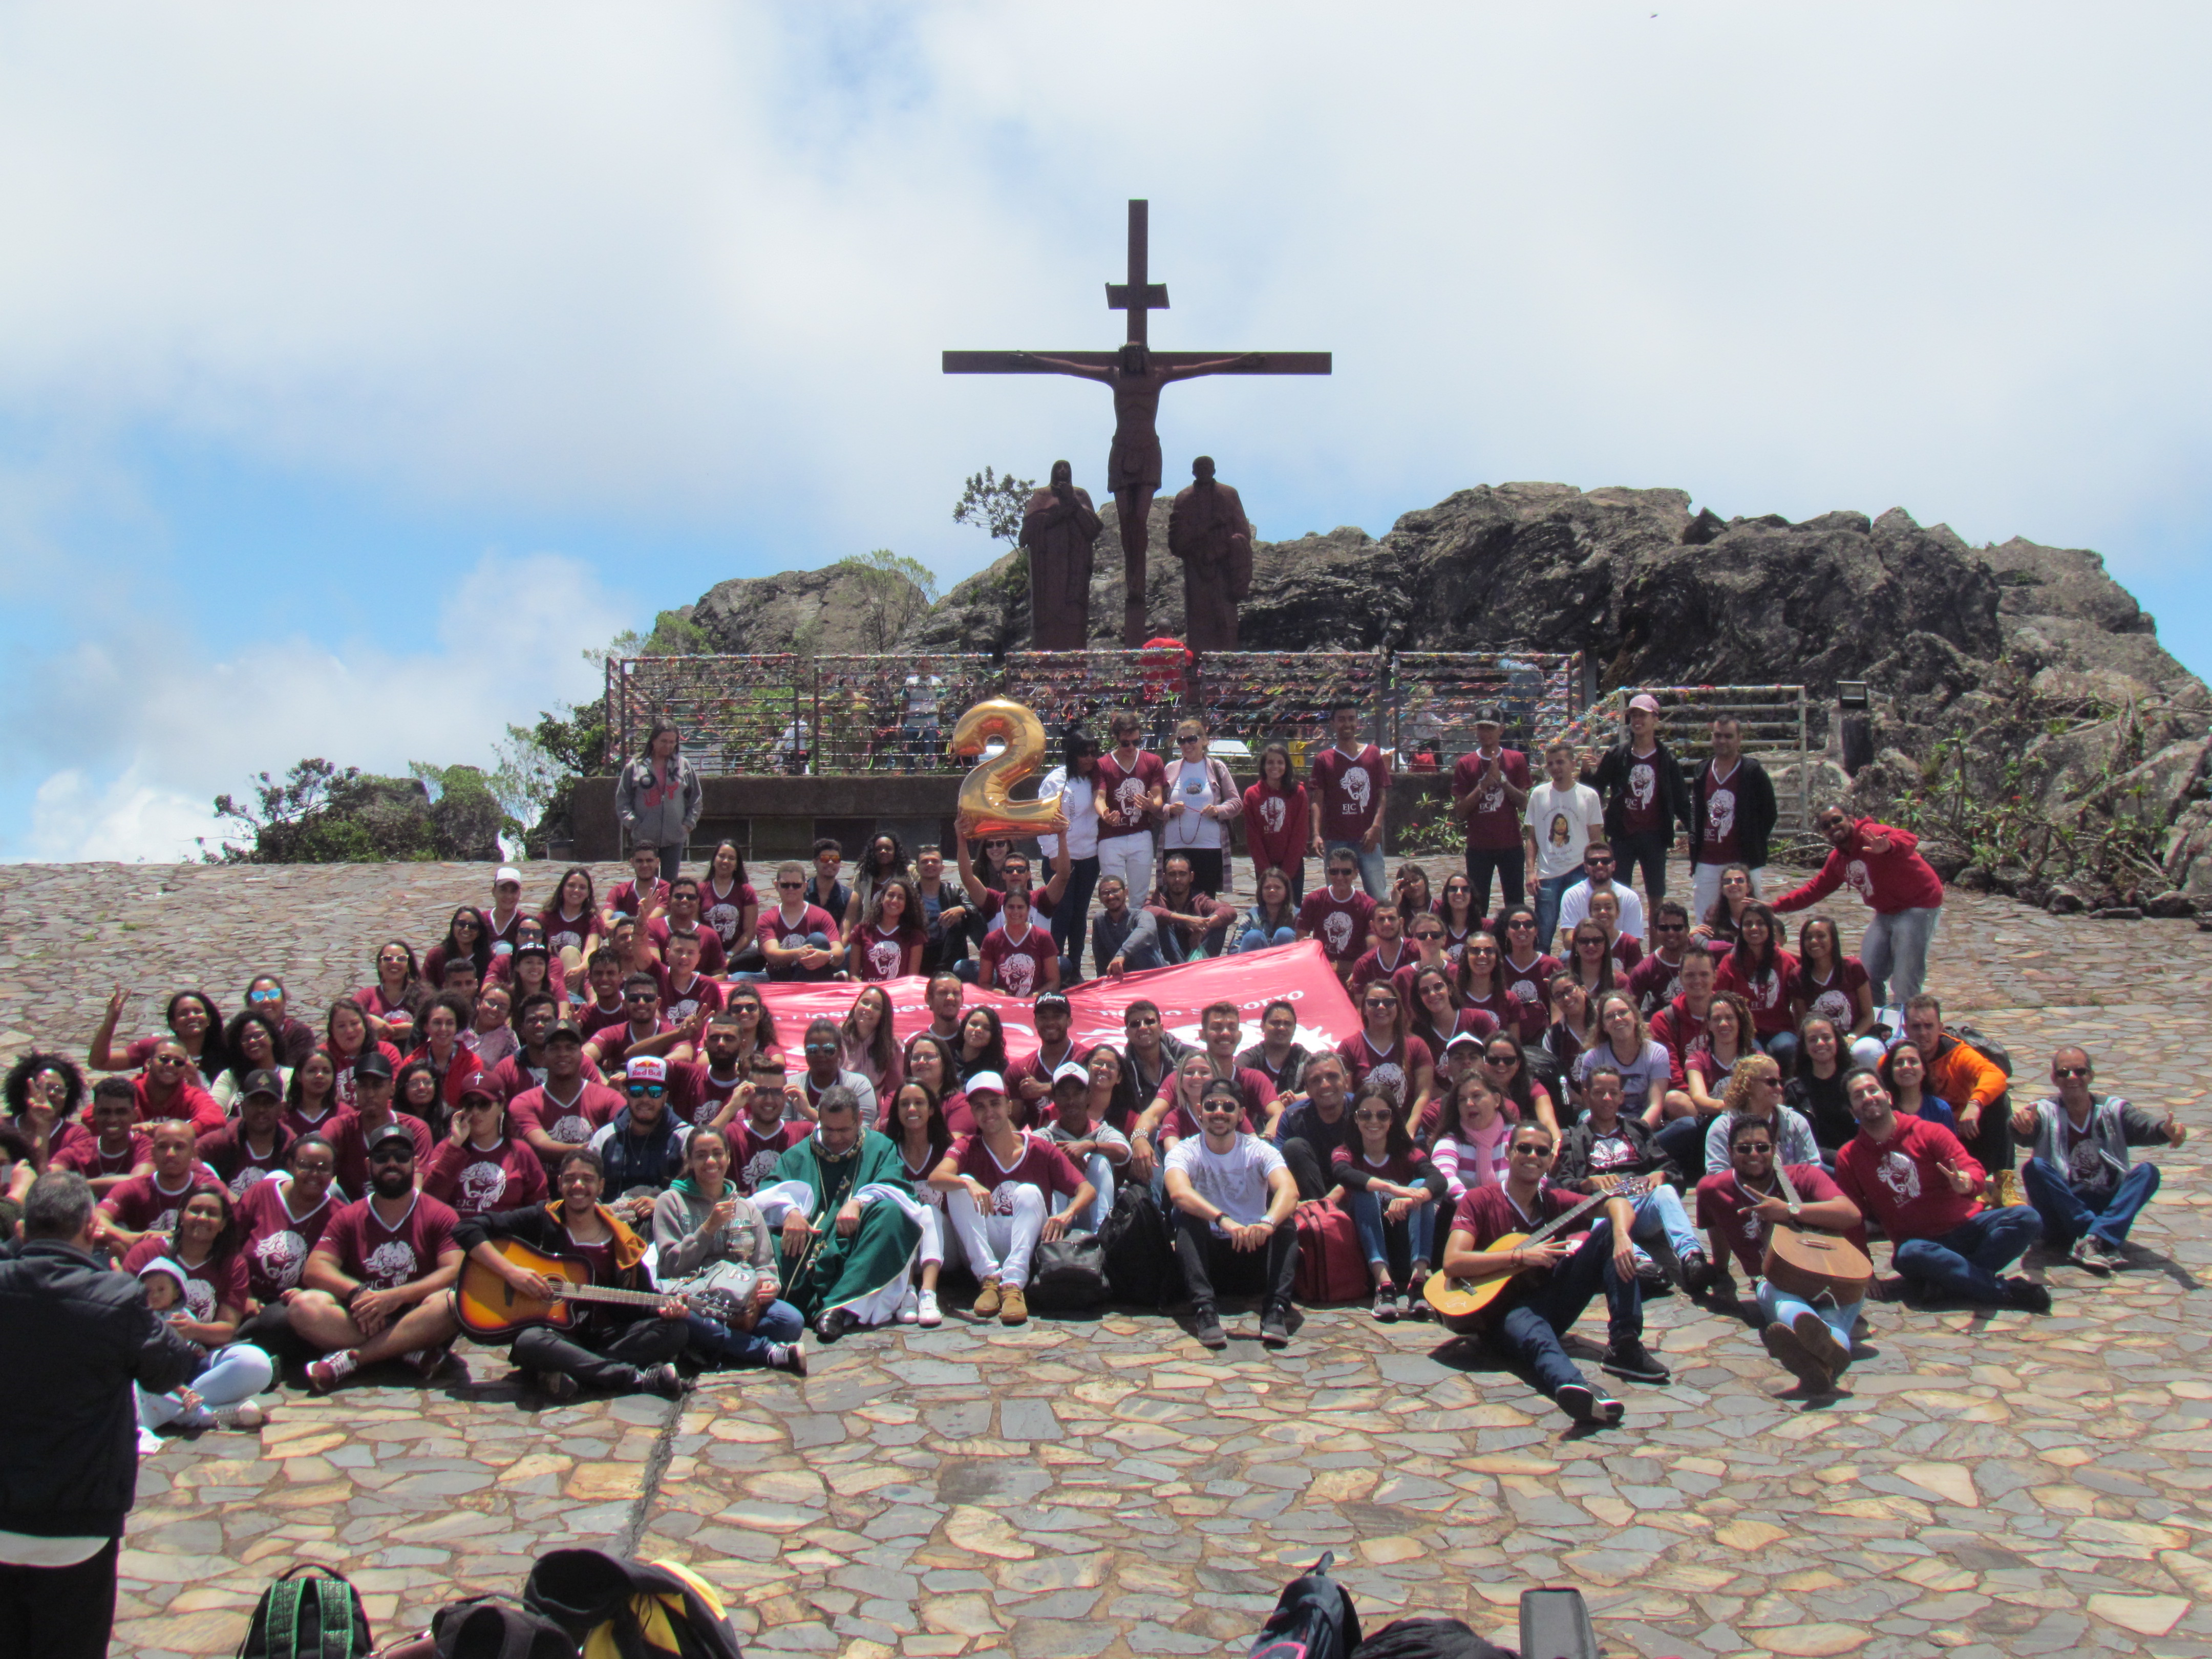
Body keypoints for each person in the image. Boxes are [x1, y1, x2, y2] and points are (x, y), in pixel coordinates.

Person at [0, 1172, 203, 1659]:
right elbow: (169, 1368)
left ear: (25, 1230)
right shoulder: (117, 1297)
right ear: (92, 1229)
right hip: (79, 1523)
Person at [1436, 1122, 1657, 1424]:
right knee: (1537, 1338)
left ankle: (1625, 1343)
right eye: (1524, 1148)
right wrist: (1519, 1257)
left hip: (1550, 1298)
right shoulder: (1481, 1200)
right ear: (1508, 1152)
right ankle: (1578, 1389)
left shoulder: (1554, 1201)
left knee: (1607, 1236)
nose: (1532, 1156)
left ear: (1550, 1159)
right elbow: (1453, 1262)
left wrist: (1621, 1234)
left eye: (1542, 1151)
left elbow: (1617, 1202)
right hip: (1498, 1313)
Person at [456, 1148, 690, 1400]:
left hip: (608, 1338)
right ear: (560, 1184)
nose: (578, 1186)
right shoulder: (542, 1219)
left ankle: (573, 1370)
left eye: (587, 1180)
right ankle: (635, 1378)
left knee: (676, 1331)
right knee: (529, 1342)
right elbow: (466, 1229)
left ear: (601, 1187)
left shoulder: (622, 1241)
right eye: (570, 1179)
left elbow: (642, 1301)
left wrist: (665, 1310)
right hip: (554, 1336)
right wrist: (513, 1273)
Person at [1832, 1069, 2044, 1311]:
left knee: (2027, 1218)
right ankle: (2004, 1292)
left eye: (1873, 1090)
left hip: (1968, 1230)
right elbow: (1852, 1218)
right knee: (1910, 1254)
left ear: (1889, 1097)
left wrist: (1967, 1181)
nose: (1868, 1097)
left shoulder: (1928, 1132)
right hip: (1920, 1247)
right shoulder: (1849, 1158)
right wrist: (1865, 1270)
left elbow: (1969, 1166)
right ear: (1852, 1111)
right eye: (1859, 1096)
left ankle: (1948, 1282)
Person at [1696, 1113, 1865, 1391]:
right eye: (1744, 1148)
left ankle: (1811, 1346)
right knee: (1779, 1294)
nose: (1754, 1154)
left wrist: (1789, 1210)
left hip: (1833, 1273)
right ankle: (1823, 1353)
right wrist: (1720, 1270)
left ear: (1775, 1150)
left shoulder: (1804, 1176)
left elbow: (1851, 1214)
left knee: (1833, 1308)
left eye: (1762, 1147)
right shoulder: (1713, 1189)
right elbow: (1718, 1228)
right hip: (1776, 1278)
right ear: (1730, 1152)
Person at [291, 1124, 465, 1392]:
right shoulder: (350, 1216)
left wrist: (397, 1297)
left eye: (401, 1156)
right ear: (369, 1164)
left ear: (416, 1162)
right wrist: (358, 1293)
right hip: (364, 1317)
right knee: (303, 1306)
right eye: (382, 1157)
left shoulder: (439, 1214)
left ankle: (353, 1359)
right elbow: (315, 1269)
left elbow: (453, 1270)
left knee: (451, 1303)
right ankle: (405, 1351)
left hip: (419, 1315)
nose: (392, 1163)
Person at [751, 1086, 925, 1339]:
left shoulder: (879, 1147)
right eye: (828, 1129)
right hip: (809, 1241)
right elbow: (765, 1195)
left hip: (856, 1238)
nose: (835, 1138)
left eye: (844, 1130)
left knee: (892, 1215)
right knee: (773, 1239)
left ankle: (838, 1307)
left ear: (859, 1122)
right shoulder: (799, 1154)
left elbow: (897, 1187)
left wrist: (858, 1202)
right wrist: (790, 1213)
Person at [931, 1074, 1095, 1327]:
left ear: (1009, 1106)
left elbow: (1086, 1190)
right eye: (980, 1107)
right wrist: (969, 1183)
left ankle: (1013, 1286)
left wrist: (1067, 1213)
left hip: (1024, 1244)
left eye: (995, 1103)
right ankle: (988, 1279)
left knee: (1028, 1192)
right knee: (959, 1182)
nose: (989, 1112)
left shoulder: (1040, 1148)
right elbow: (936, 1178)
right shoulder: (967, 1145)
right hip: (981, 1247)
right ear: (973, 1114)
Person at [2012, 1047, 2186, 1273]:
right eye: (2064, 1073)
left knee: (2148, 1172)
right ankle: (2099, 1236)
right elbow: (2023, 1130)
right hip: (2063, 1215)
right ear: (2054, 1078)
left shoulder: (2112, 1110)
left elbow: (2143, 1125)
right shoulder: (2045, 1112)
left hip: (2105, 1205)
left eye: (2080, 1071)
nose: (2073, 1078)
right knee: (2035, 1168)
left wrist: (2165, 1130)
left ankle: (2094, 1238)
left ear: (2091, 1076)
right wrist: (2021, 1126)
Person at [123, 1185, 276, 1438]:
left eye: (212, 1213)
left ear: (223, 1224)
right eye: (195, 1210)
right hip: (147, 1362)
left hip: (198, 1358)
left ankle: (175, 1405)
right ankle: (197, 1411)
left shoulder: (232, 1261)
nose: (202, 1218)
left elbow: (227, 1330)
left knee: (258, 1365)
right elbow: (121, 1311)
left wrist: (191, 1330)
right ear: (181, 1215)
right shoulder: (149, 1252)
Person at [650, 1127, 806, 1373]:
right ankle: (764, 1352)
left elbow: (764, 1264)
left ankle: (716, 1345)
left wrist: (768, 1285)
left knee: (791, 1323)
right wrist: (708, 1229)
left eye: (717, 1153)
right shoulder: (670, 1202)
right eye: (701, 1155)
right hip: (695, 1300)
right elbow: (670, 1267)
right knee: (686, 1321)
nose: (710, 1162)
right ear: (689, 1160)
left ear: (728, 1158)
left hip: (740, 1302)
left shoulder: (746, 1207)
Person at [1163, 1079, 1300, 1350]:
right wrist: (1223, 1220)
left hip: (1253, 1249)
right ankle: (1205, 1311)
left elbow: (1289, 1190)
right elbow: (1178, 1193)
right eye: (1212, 1105)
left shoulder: (1259, 1150)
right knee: (1189, 1221)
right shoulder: (1184, 1151)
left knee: (1286, 1225)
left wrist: (1268, 1223)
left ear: (1241, 1114)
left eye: (1228, 1106)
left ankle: (1275, 1311)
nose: (1219, 1112)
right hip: (1210, 1259)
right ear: (1201, 1111)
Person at [1770, 804, 1946, 1010]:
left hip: (1919, 905)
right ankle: (1878, 1027)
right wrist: (1774, 907)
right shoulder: (1838, 860)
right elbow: (1815, 889)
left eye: (1837, 820)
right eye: (1827, 825)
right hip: (1886, 912)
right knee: (1867, 973)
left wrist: (1889, 846)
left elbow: (1910, 839)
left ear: (1851, 819)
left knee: (1905, 977)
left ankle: (1906, 1028)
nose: (1833, 827)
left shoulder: (1872, 834)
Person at [1334, 1081, 1445, 1320]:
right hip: (1369, 1246)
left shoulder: (1407, 1151)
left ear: (1393, 1119)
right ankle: (1383, 1286)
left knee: (1420, 1187)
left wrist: (1411, 1197)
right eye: (1365, 1115)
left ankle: (1418, 1283)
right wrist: (1392, 1188)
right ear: (1355, 1119)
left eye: (1382, 1115)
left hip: (1404, 1242)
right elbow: (1343, 1173)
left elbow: (1438, 1180)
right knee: (1365, 1192)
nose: (1374, 1122)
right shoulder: (1346, 1151)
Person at [1580, 693, 1690, 903]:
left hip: (1655, 836)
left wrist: (1696, 836)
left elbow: (1681, 802)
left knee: (1656, 895)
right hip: (1623, 835)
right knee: (1618, 894)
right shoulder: (1618, 755)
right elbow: (1595, 792)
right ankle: (1621, 935)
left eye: (1643, 716)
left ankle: (1656, 936)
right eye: (1634, 716)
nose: (1638, 721)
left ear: (1655, 719)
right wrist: (1586, 773)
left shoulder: (1666, 759)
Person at [1903, 994, 2013, 1174]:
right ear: (1905, 1029)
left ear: (1940, 1028)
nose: (1923, 1033)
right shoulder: (1897, 1061)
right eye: (1916, 1027)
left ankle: (2002, 1178)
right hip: (1918, 1140)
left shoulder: (1958, 1054)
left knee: (1999, 1100)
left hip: (1963, 1135)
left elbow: (1995, 1074)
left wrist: (1975, 1103)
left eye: (1929, 1026)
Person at [1687, 716, 1779, 925]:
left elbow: (1769, 813)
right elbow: (1697, 814)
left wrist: (1753, 839)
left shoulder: (1752, 772)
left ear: (1739, 739)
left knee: (1750, 918)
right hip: (1708, 860)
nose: (1723, 741)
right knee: (1706, 921)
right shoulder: (1703, 770)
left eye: (1729, 736)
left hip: (1744, 861)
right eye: (1718, 736)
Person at [509, 1022, 626, 1175]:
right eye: (555, 1048)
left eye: (570, 1048)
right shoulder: (524, 1102)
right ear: (544, 1055)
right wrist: (589, 1149)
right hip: (546, 1190)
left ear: (582, 1054)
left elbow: (622, 1140)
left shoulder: (611, 1099)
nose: (563, 1053)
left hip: (596, 1190)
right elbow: (541, 1145)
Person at [1036, 733, 1104, 981]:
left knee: (1079, 913)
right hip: (1062, 857)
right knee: (1061, 913)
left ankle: (1074, 967)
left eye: (1094, 753)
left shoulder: (1097, 779)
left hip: (1090, 857)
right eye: (1084, 753)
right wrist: (1053, 853)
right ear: (1073, 755)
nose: (1090, 759)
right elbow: (1043, 820)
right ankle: (1054, 968)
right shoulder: (1056, 780)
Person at [1453, 708, 1532, 919]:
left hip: (1511, 845)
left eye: (1491, 728)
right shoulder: (1465, 764)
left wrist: (1502, 781)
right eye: (1481, 728)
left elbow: (1524, 803)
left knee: (1515, 905)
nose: (1486, 733)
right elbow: (1460, 811)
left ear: (1501, 730)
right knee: (1478, 906)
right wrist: (1484, 785)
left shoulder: (1516, 760)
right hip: (1479, 847)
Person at [424, 1084, 550, 1217]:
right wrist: (455, 1145)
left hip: (507, 1235)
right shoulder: (448, 1148)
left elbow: (540, 1206)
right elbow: (429, 1201)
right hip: (458, 1234)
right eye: (469, 1105)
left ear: (501, 1107)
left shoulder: (521, 1151)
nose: (476, 1112)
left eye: (484, 1104)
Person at [887, 1081, 953, 1326]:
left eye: (919, 1103)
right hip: (905, 1255)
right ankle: (908, 1291)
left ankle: (928, 1293)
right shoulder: (888, 1153)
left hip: (948, 1251)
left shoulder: (947, 1151)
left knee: (929, 1211)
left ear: (932, 1109)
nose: (912, 1109)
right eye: (904, 1104)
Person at [1310, 701, 1389, 898]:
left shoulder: (1372, 754)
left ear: (1358, 722)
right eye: (1342, 720)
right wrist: (1316, 834)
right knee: (1337, 894)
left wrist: (1376, 828)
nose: (1347, 724)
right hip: (1336, 839)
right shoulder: (1324, 759)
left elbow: (1382, 796)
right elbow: (1317, 801)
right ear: (1333, 723)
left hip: (1367, 839)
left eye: (1351, 719)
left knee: (1378, 896)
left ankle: (1379, 930)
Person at [1039, 1063, 1128, 1231]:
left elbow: (1124, 1152)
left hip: (1093, 1216)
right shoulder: (1045, 1136)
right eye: (1064, 1095)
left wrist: (1090, 1146)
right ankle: (1055, 1242)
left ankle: (1102, 1238)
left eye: (1078, 1093)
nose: (1071, 1101)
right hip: (1057, 1218)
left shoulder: (1104, 1131)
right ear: (1054, 1098)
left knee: (1100, 1161)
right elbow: (1024, 1156)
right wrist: (1060, 1159)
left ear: (1088, 1095)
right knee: (1054, 1165)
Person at [1160, 718, 1242, 897]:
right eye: (1181, 741)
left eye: (1192, 739)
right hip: (1175, 845)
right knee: (1174, 900)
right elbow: (1158, 806)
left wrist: (1218, 811)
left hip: (1209, 847)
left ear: (1204, 741)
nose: (1187, 745)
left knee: (1205, 900)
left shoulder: (1217, 767)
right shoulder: (1170, 769)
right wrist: (1169, 810)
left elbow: (1236, 803)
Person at [1700, 1053, 1820, 1175]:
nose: (1779, 1088)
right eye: (1771, 1082)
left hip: (1790, 1192)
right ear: (1749, 1084)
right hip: (1739, 1193)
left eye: (1780, 1082)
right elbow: (1717, 1176)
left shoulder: (1795, 1122)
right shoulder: (1723, 1128)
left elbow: (1812, 1171)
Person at [1789, 915, 1883, 1071]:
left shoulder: (1853, 968)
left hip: (1855, 1037)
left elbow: (1869, 1016)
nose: (1814, 942)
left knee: (1866, 1052)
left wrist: (1852, 1038)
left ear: (1833, 940)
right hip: (1819, 1041)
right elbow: (1801, 1020)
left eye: (1821, 936)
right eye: (1808, 938)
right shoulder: (1798, 976)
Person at [88, 986, 228, 1090]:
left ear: (209, 1019)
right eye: (183, 1013)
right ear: (173, 1024)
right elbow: (99, 1062)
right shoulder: (156, 1048)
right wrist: (110, 1023)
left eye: (197, 1011)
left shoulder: (227, 1051)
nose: (191, 1016)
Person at [615, 718, 704, 882]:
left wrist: (688, 824)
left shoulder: (683, 765)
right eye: (664, 741)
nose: (668, 746)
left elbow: (696, 798)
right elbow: (623, 800)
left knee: (670, 885)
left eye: (672, 742)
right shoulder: (635, 766)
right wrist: (634, 823)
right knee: (648, 885)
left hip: (675, 836)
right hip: (644, 838)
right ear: (653, 740)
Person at [1094, 711, 1166, 906]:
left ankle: (1137, 932)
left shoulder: (1153, 761)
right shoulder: (1103, 764)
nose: (1132, 747)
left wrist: (1153, 805)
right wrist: (1105, 814)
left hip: (1140, 833)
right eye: (1126, 743)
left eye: (1137, 742)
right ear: (1116, 738)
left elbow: (1157, 794)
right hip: (1110, 837)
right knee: (1113, 893)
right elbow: (1099, 797)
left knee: (1140, 894)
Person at [1335, 984, 1435, 1123]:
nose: (1381, 1007)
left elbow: (1423, 1095)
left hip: (1406, 1124)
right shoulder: (1349, 1047)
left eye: (1389, 1002)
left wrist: (1410, 1130)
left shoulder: (1417, 1045)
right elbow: (1348, 1097)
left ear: (1398, 1007)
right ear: (1363, 1009)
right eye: (1373, 1003)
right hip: (1365, 1125)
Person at [1714, 903, 1798, 1069]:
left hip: (1780, 1030)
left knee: (1788, 1048)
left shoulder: (1786, 961)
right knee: (1753, 1056)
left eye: (1760, 923)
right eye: (1748, 924)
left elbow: (1799, 1000)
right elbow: (1718, 999)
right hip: (1745, 1031)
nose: (1754, 928)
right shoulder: (1730, 963)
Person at [195, 1069, 295, 1199]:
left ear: (282, 1109)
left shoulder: (292, 1147)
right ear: (242, 1106)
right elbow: (190, 1157)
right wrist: (222, 1191)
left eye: (268, 1103)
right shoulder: (224, 1139)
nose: (261, 1109)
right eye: (254, 1102)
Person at [1270, 1051, 1353, 1201]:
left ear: (1346, 1081)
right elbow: (1274, 1165)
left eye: (1332, 1076)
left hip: (1355, 1190)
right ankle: (1319, 1219)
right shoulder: (1292, 1117)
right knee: (1294, 1146)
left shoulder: (1364, 1111)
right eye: (1316, 1080)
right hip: (1310, 1195)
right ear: (1307, 1089)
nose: (1325, 1085)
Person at [1140, 852, 1237, 964]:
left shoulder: (1199, 899)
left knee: (1220, 924)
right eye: (1172, 875)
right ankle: (1182, 969)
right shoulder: (1158, 899)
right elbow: (1146, 912)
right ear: (1165, 877)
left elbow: (1229, 911)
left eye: (1182, 874)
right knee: (1159, 923)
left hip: (1197, 952)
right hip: (1170, 959)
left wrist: (1202, 927)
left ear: (1191, 877)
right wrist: (1186, 920)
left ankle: (1194, 968)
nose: (1177, 879)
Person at [1243, 743, 1309, 903]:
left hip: (1293, 867)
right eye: (1270, 762)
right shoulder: (1252, 795)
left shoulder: (1298, 793)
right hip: (1264, 866)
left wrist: (1286, 874)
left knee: (1292, 915)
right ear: (1264, 766)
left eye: (1280, 762)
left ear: (1287, 766)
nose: (1275, 766)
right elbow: (1253, 837)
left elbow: (1300, 834)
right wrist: (1267, 874)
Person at [1299, 848, 1377, 983]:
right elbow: (1300, 941)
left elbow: (1373, 952)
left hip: (1355, 971)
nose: (1340, 877)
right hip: (1321, 968)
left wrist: (1355, 970)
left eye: (1346, 872)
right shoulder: (1314, 900)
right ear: (1328, 872)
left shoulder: (1369, 906)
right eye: (1334, 872)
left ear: (1356, 874)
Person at [1005, 992, 1088, 1118]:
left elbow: (1098, 1096)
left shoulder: (1086, 1059)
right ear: (1036, 1022)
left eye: (1057, 1017)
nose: (1050, 1023)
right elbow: (1011, 1122)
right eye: (1044, 1017)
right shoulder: (1020, 1070)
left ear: (1069, 1021)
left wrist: (1046, 1089)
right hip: (1039, 1137)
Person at [758, 862, 844, 982]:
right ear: (777, 886)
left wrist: (827, 956)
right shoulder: (767, 919)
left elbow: (839, 952)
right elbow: (772, 955)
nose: (791, 889)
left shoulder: (822, 916)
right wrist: (797, 954)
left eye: (796, 885)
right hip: (778, 977)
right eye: (785, 885)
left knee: (818, 939)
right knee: (739, 978)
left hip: (811, 975)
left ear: (805, 886)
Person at [1555, 842, 1647, 952]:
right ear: (1585, 867)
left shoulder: (1630, 897)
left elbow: (1634, 943)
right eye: (1593, 862)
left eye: (1605, 861)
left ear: (1613, 865)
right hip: (1585, 955)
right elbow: (1569, 940)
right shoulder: (1572, 895)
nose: (1599, 865)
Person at [977, 886, 1060, 995]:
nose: (1015, 912)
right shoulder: (991, 939)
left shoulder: (1043, 937)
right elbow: (983, 983)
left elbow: (1054, 981)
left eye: (1020, 907)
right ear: (1004, 909)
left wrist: (1036, 995)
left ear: (1028, 910)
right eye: (1011, 907)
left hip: (1035, 1002)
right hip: (1004, 1002)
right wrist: (998, 993)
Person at [1626, 901, 1694, 1018]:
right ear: (1656, 931)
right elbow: (1628, 1010)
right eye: (1664, 928)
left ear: (1688, 930)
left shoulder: (1709, 951)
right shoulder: (1645, 971)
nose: (1671, 933)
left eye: (1677, 928)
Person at [912, 845, 973, 976]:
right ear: (917, 868)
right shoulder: (909, 892)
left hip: (947, 952)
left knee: (959, 923)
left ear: (942, 867)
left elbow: (974, 909)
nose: (930, 864)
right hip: (919, 951)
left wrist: (962, 909)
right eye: (924, 862)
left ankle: (944, 971)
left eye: (935, 861)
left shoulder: (954, 891)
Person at [1877, 1040, 1960, 1135]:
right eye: (1899, 1063)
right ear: (1891, 1071)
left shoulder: (1940, 1109)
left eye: (1913, 1061)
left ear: (1924, 1069)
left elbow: (1950, 1148)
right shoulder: (1881, 1107)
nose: (1906, 1067)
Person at [1091, 874, 1164, 978]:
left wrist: (1122, 955)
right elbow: (1101, 959)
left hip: (1152, 977)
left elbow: (1146, 931)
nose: (1111, 896)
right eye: (1105, 893)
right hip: (1123, 981)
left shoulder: (1142, 916)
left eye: (1115, 891)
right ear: (1100, 899)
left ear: (1126, 893)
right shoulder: (1100, 920)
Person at [602, 843, 672, 931]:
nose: (645, 865)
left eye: (649, 861)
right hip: (626, 939)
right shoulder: (619, 891)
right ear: (632, 863)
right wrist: (608, 922)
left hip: (655, 937)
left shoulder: (667, 890)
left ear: (657, 863)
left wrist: (620, 922)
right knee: (617, 916)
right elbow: (605, 918)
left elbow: (650, 919)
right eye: (640, 861)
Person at [1348, 902, 1414, 995]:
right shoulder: (1364, 965)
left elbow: (1440, 956)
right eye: (1381, 919)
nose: (1387, 924)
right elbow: (1361, 1007)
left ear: (1401, 923)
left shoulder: (1417, 950)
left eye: (1392, 918)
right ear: (1372, 926)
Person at [1236, 866, 1302, 954]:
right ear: (1261, 891)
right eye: (1267, 888)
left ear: (1286, 891)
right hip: (1254, 965)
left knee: (1285, 933)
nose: (1272, 891)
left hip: (1286, 965)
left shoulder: (1298, 916)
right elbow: (1234, 948)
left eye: (1278, 887)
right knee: (1253, 936)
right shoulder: (1252, 916)